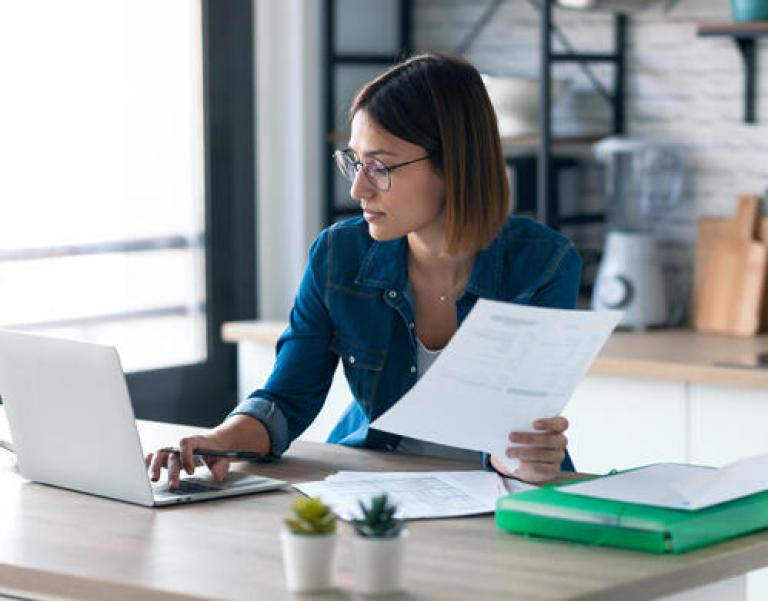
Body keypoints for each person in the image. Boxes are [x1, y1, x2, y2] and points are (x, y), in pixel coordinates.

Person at [148, 52, 582, 490]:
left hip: (498, 493)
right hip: (371, 487)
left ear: (453, 164)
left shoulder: (544, 264)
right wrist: (217, 441)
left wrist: (521, 459)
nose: (358, 188)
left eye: (379, 166)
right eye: (354, 162)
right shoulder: (339, 254)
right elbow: (285, 400)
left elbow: (516, 433)